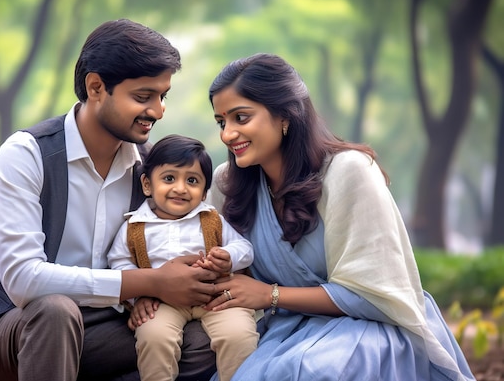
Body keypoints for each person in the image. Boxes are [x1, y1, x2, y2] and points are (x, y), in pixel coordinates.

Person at [0, 19, 221, 381]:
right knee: (55, 311)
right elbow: (22, 280)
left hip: (101, 325)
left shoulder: (148, 171)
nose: (158, 111)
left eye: (162, 97)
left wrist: (160, 292)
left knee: (199, 339)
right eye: (143, 97)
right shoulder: (27, 154)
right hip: (9, 324)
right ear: (96, 87)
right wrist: (149, 283)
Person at [203, 53, 475, 380]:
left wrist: (270, 295)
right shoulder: (226, 183)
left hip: (368, 329)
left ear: (285, 115)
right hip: (284, 328)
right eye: (222, 122)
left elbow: (378, 295)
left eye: (241, 118)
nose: (227, 134)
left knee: (314, 370)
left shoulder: (348, 171)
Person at [108, 134, 258, 381]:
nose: (180, 188)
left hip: (215, 297)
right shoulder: (135, 226)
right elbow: (119, 264)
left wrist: (229, 256)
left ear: (204, 192)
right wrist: (138, 296)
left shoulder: (210, 219)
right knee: (153, 338)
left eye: (192, 180)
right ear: (147, 185)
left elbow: (244, 247)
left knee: (239, 334)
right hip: (162, 301)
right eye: (169, 178)